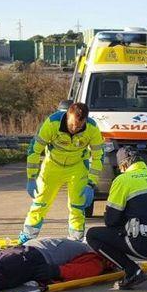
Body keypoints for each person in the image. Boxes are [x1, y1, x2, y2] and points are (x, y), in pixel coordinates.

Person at [85, 146, 147, 290]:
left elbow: (111, 220)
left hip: (143, 245)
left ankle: (131, 270)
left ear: (123, 165)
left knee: (92, 235)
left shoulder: (123, 180)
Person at [19, 102, 104, 243]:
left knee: (77, 207)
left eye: (79, 126)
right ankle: (27, 238)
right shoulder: (52, 123)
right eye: (72, 125)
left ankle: (75, 241)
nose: (74, 129)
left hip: (77, 168)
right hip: (52, 166)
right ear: (67, 116)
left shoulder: (92, 128)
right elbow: (34, 150)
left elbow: (98, 157)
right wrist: (31, 177)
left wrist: (91, 184)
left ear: (85, 120)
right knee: (40, 204)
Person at [0, 237, 110, 292]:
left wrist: (56, 271)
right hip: (32, 258)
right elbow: (87, 270)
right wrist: (57, 271)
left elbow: (82, 269)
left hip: (23, 249)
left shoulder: (82, 246)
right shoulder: (96, 257)